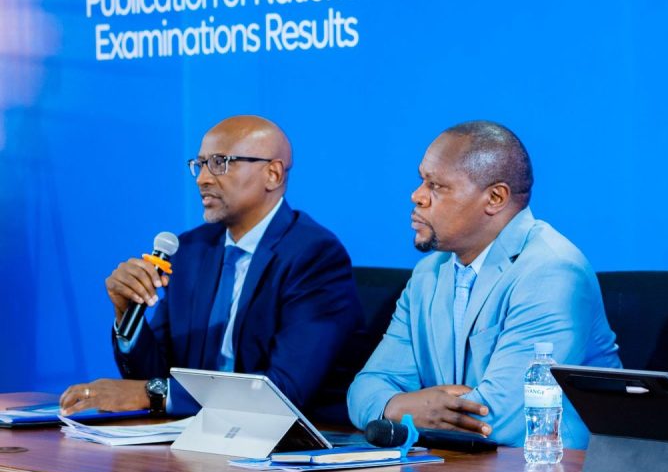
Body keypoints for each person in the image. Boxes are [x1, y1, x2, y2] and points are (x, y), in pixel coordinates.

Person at [59, 115, 363, 422]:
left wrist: (151, 394)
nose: (202, 179)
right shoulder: (189, 251)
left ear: (272, 174)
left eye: (220, 163)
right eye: (200, 164)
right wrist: (127, 314)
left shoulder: (314, 256)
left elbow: (283, 393)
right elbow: (154, 377)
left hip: (280, 440)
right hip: (192, 432)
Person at [347, 120, 620, 447]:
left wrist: (407, 411)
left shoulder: (551, 271)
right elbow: (365, 389)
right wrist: (400, 406)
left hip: (550, 470)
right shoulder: (428, 274)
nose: (417, 196)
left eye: (436, 186)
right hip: (457, 466)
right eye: (421, 180)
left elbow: (498, 419)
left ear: (494, 198)